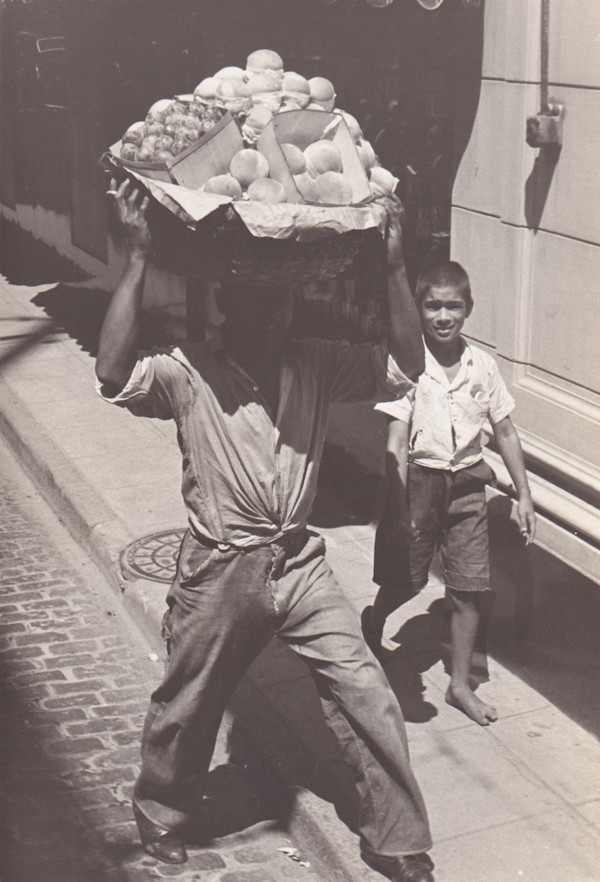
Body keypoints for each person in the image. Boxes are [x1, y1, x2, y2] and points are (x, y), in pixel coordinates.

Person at [95, 177, 435, 882]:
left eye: (284, 307)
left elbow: (407, 364)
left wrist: (397, 269)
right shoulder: (189, 372)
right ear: (230, 307)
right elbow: (111, 372)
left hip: (299, 560)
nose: (278, 320)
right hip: (220, 565)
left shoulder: (314, 360)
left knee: (363, 687)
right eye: (263, 307)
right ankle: (160, 808)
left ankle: (396, 838)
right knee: (188, 703)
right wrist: (135, 260)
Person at [364, 261, 536, 727]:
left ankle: (460, 686)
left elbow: (504, 429)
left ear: (468, 309)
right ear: (418, 308)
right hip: (418, 482)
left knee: (469, 591)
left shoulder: (484, 366)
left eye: (453, 306)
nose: (443, 316)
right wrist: (398, 504)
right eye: (433, 305)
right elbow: (395, 442)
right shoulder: (408, 365)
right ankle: (374, 622)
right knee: (407, 580)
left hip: (467, 486)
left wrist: (523, 494)